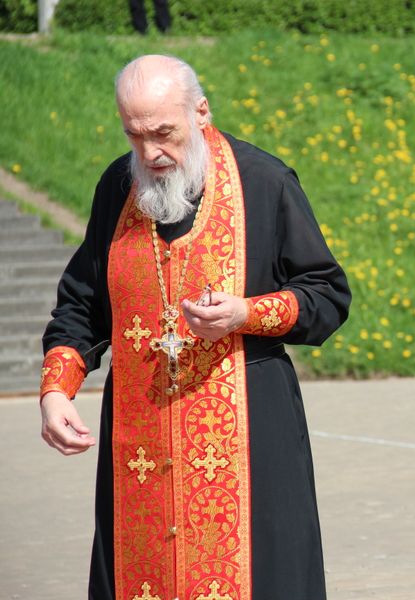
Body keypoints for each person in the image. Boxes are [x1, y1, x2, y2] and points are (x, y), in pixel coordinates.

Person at [39, 54, 351, 600]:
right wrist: (56, 389)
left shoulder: (265, 182)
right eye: (135, 135)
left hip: (249, 441)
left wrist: (246, 313)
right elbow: (83, 304)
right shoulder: (117, 186)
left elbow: (327, 295)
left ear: (200, 112)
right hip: (139, 443)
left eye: (164, 133)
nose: (150, 153)